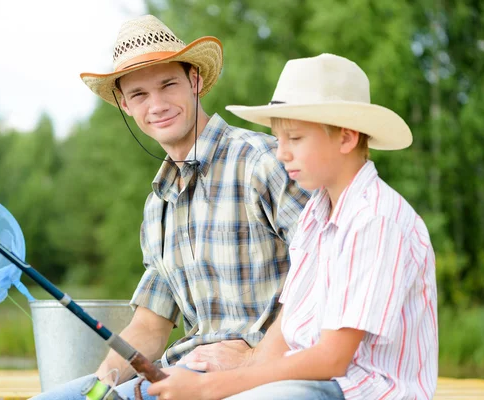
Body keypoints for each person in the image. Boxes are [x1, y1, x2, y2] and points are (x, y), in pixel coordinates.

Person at [31, 15, 310, 400]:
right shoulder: (157, 206)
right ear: (126, 105)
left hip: (271, 378)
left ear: (194, 80)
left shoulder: (261, 161)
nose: (157, 105)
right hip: (185, 376)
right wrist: (98, 390)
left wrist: (253, 361)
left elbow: (323, 272)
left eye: (168, 85)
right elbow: (151, 325)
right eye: (140, 95)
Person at [147, 54, 438, 399]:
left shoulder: (374, 219)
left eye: (295, 139)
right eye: (278, 139)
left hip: (361, 390)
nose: (281, 153)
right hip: (309, 385)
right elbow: (285, 332)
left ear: (346, 138)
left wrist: (208, 388)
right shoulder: (316, 215)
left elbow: (332, 359)